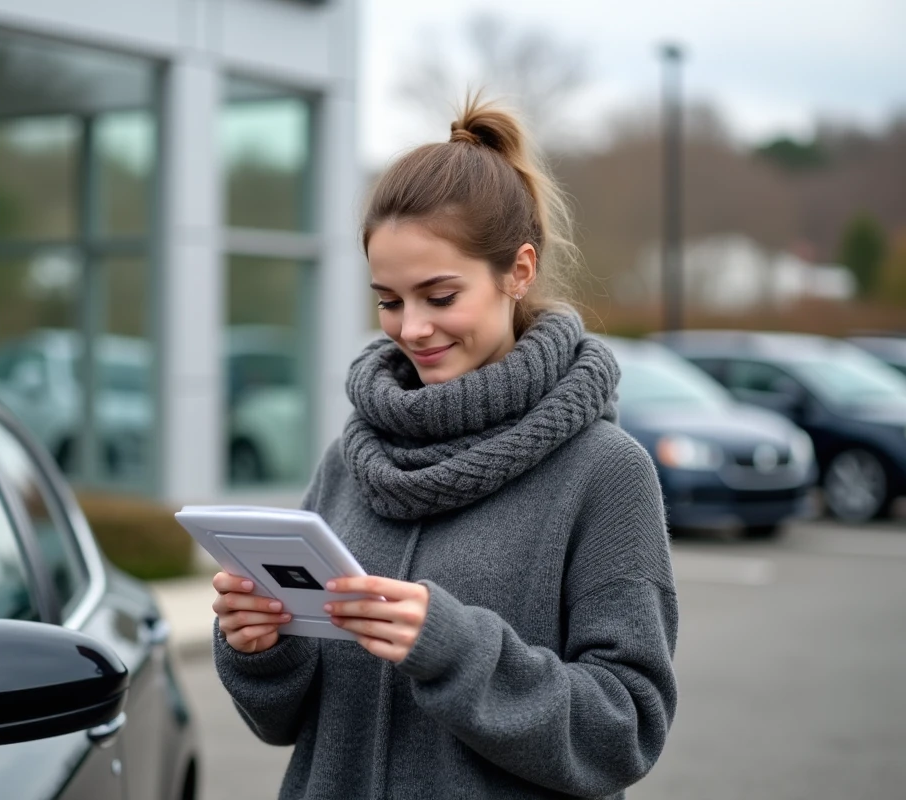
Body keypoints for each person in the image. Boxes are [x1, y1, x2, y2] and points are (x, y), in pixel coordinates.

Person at [211, 96, 678, 800]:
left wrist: (455, 648)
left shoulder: (606, 473)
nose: (412, 328)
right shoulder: (350, 461)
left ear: (518, 271)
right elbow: (283, 725)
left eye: (439, 296)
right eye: (389, 300)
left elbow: (625, 730)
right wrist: (262, 648)